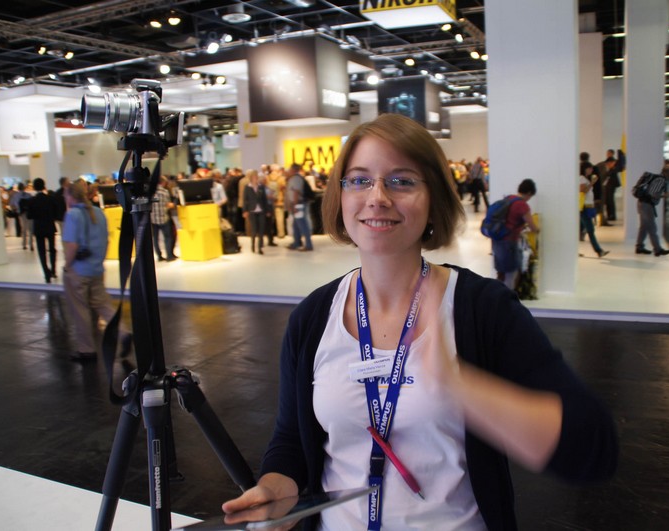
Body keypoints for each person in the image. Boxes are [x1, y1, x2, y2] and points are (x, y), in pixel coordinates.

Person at [221, 114, 618, 530]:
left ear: (434, 200)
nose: (377, 197)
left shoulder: (483, 309)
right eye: (359, 180)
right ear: (340, 196)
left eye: (402, 181)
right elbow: (290, 439)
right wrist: (277, 487)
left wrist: (465, 388)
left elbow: (592, 451)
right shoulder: (314, 317)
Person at [62, 180, 131, 362]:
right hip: (96, 269)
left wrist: (67, 266)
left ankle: (86, 350)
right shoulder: (99, 212)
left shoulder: (72, 215)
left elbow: (72, 245)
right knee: (103, 305)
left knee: (81, 310)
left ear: (70, 196)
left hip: (78, 271)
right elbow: (107, 241)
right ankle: (123, 332)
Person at [492, 179, 540, 290]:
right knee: (511, 273)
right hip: (509, 243)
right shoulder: (522, 205)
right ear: (529, 193)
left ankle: (496, 295)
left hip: (496, 240)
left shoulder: (508, 199)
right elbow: (533, 227)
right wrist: (537, 230)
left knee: (501, 273)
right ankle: (508, 297)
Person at [25, 178, 59, 283]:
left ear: (35, 187)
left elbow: (29, 215)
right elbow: (55, 212)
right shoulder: (50, 198)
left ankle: (46, 273)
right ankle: (53, 270)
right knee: (52, 249)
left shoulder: (32, 200)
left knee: (41, 251)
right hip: (50, 226)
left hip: (39, 228)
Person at [635, 165, 669, 256]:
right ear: (668, 173)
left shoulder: (657, 178)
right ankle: (657, 249)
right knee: (652, 227)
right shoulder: (661, 180)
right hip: (647, 205)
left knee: (644, 227)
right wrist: (664, 196)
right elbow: (652, 193)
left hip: (642, 203)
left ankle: (639, 246)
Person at [579, 163, 609, 258]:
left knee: (580, 230)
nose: (591, 170)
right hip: (584, 207)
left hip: (586, 207)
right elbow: (583, 190)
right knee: (590, 229)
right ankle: (598, 250)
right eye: (589, 168)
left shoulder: (585, 179)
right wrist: (592, 183)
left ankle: (574, 251)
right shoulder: (581, 179)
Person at [285, 163, 314, 252]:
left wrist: (294, 205)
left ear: (293, 170)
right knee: (296, 225)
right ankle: (296, 242)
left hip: (298, 205)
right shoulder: (295, 178)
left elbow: (296, 192)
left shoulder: (296, 179)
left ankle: (308, 245)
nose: (288, 171)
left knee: (302, 224)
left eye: (290, 169)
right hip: (298, 204)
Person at [243, 169, 269, 255]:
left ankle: (260, 247)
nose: (256, 178)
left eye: (257, 177)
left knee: (261, 230)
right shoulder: (247, 187)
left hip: (261, 210)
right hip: (252, 210)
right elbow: (245, 200)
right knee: (254, 229)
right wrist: (245, 210)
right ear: (251, 178)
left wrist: (267, 210)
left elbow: (265, 199)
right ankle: (253, 245)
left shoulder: (261, 187)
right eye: (254, 177)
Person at [151, 176, 176, 262]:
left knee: (155, 238)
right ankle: (169, 256)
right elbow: (168, 205)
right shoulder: (165, 192)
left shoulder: (150, 192)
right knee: (168, 237)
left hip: (153, 219)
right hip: (164, 218)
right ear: (163, 183)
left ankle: (159, 256)